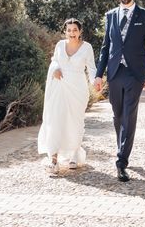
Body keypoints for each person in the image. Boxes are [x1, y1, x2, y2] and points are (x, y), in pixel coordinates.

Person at [94, 0, 145, 182]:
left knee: (129, 115)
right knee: (117, 115)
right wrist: (98, 74)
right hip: (115, 72)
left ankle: (121, 161)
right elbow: (106, 47)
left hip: (135, 73)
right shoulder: (110, 16)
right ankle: (122, 146)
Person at [38, 18, 96, 173]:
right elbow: (54, 60)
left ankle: (74, 154)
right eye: (69, 30)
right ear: (65, 31)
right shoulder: (60, 45)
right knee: (55, 119)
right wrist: (55, 67)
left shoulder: (87, 47)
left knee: (75, 122)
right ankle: (53, 159)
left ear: (80, 31)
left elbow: (91, 68)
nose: (72, 33)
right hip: (59, 86)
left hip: (78, 89)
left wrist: (95, 82)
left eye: (75, 30)